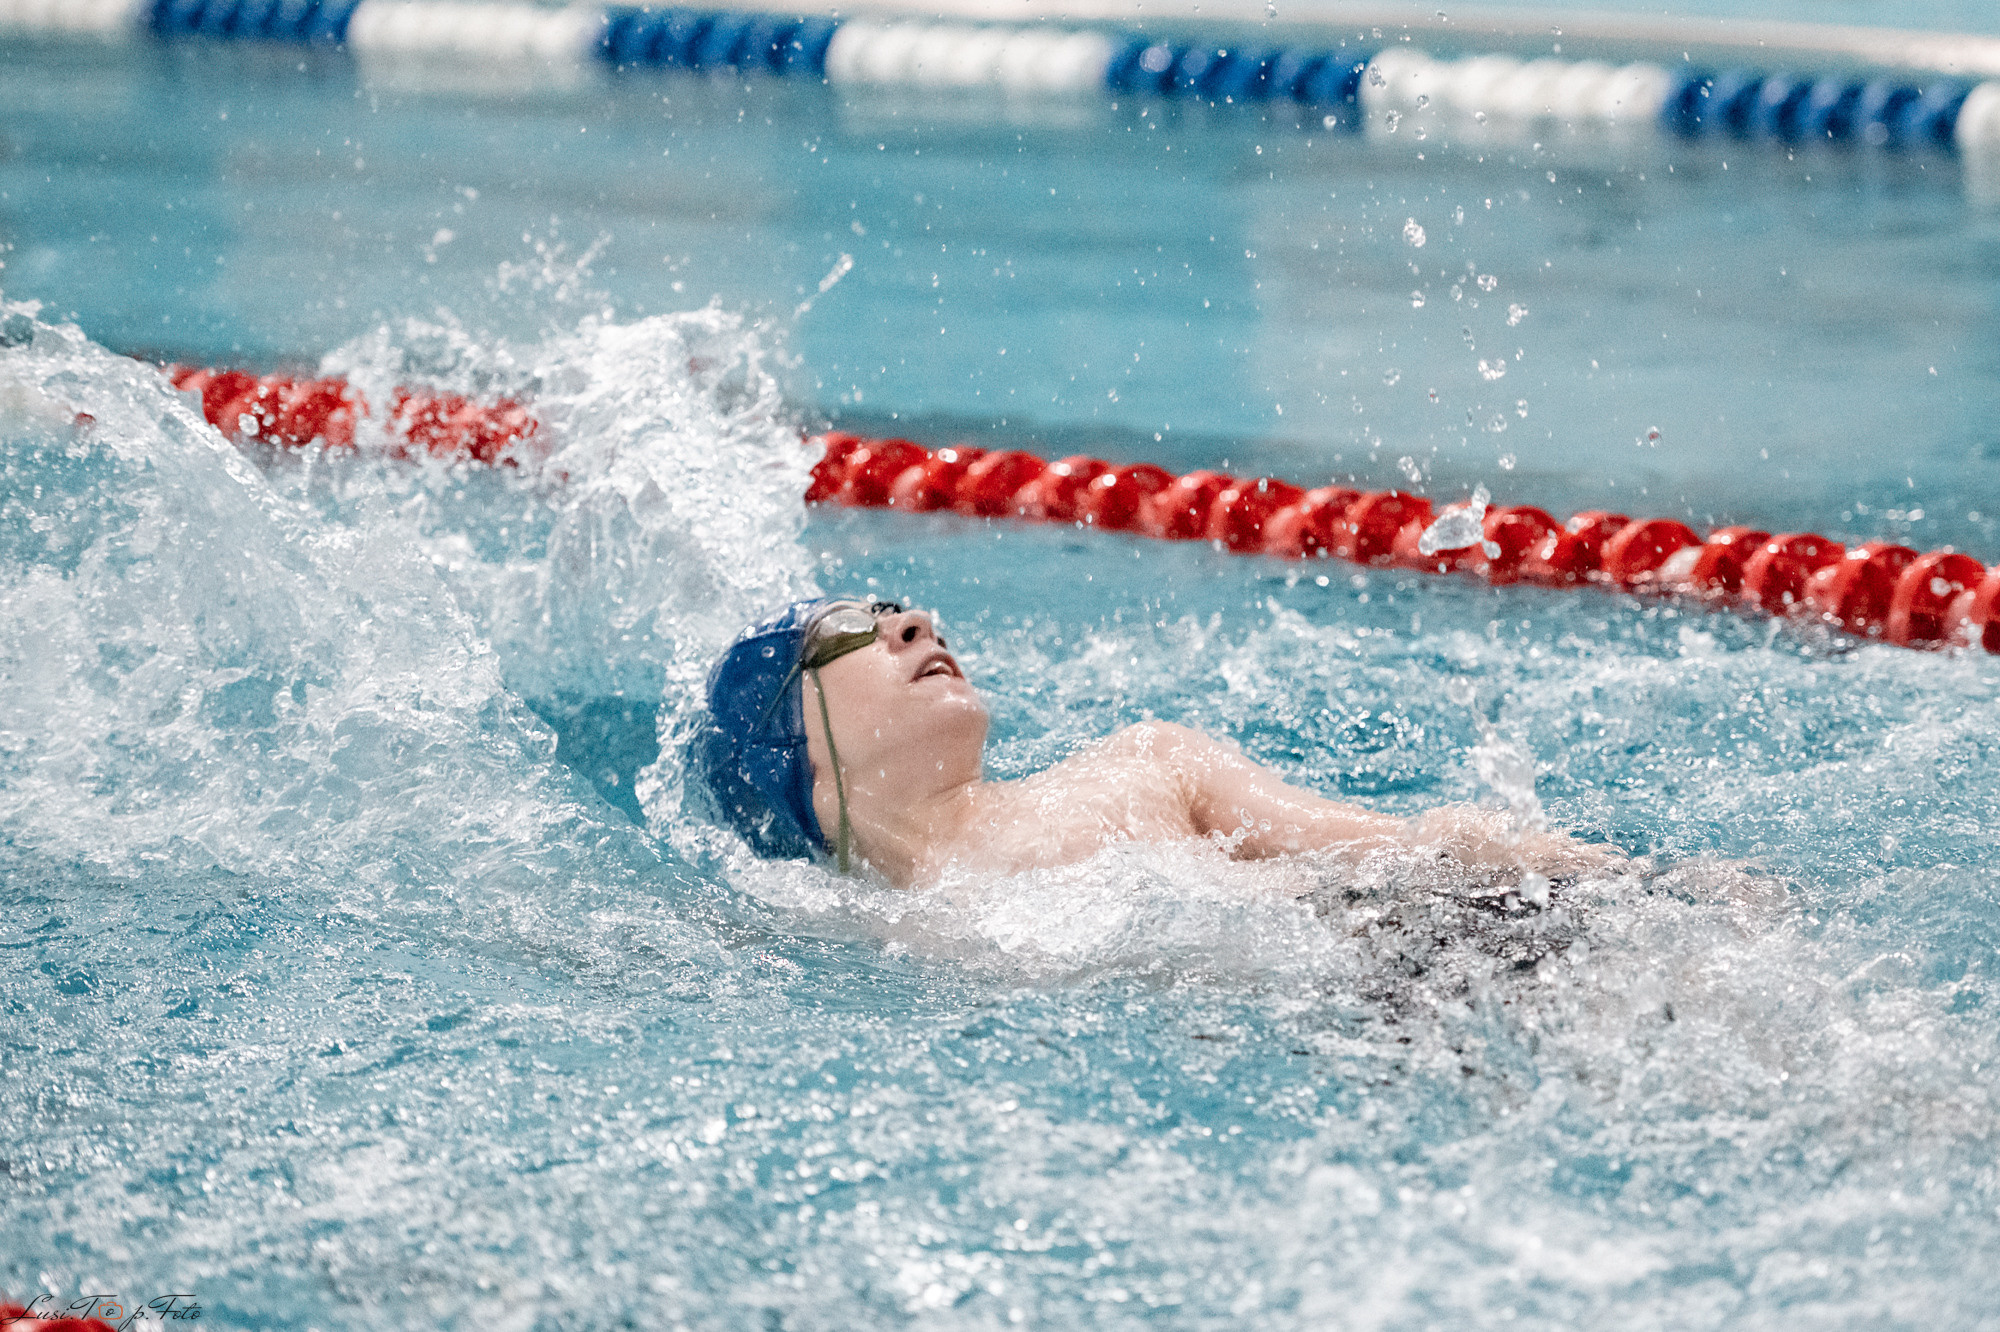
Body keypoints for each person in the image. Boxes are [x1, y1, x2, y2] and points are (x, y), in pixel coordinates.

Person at [701, 596, 1621, 891]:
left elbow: (1408, 848)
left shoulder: (1143, 767)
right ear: (791, 753)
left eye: (904, 607)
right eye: (854, 629)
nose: (917, 623)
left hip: (1419, 938)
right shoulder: (829, 937)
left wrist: (1585, 874)